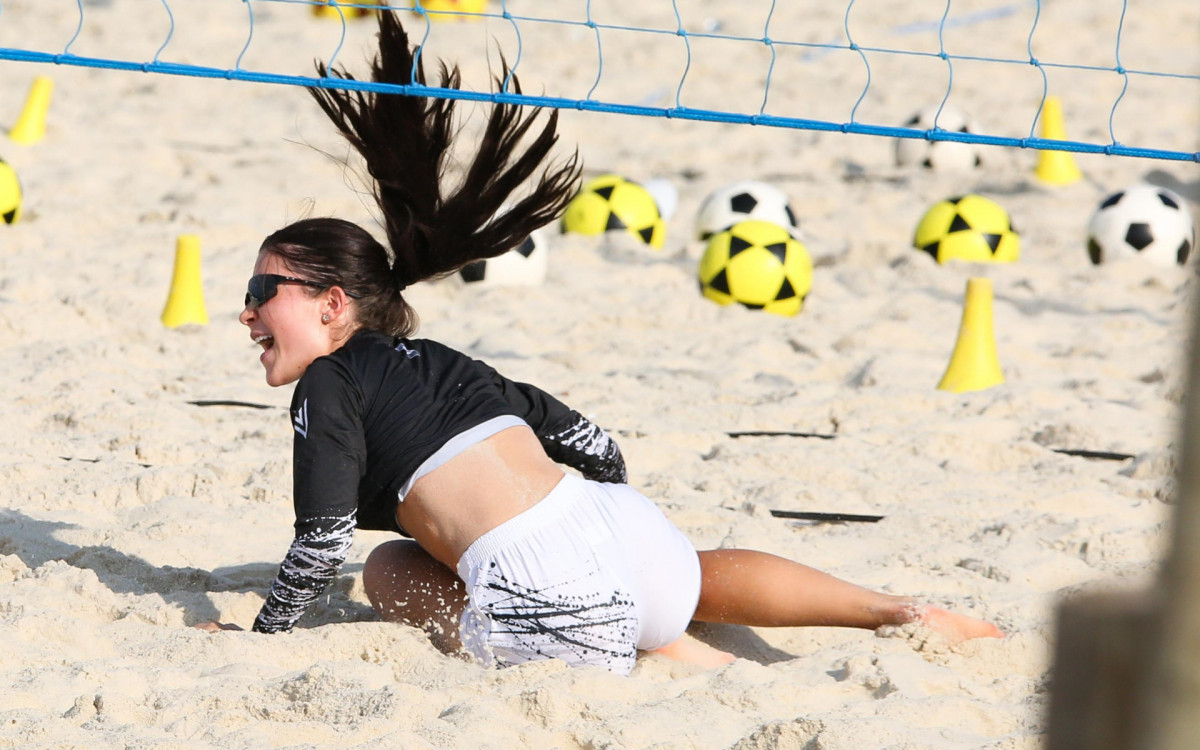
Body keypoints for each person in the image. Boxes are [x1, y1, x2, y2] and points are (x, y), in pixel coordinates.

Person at [197, 11, 1001, 673]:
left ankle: (688, 658)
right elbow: (596, 446)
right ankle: (896, 610)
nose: (248, 314)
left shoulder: (329, 385)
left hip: (548, 581)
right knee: (698, 574)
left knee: (384, 571)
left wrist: (261, 638)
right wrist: (582, 529)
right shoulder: (444, 365)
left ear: (333, 304)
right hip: (622, 525)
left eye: (261, 294)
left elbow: (325, 536)